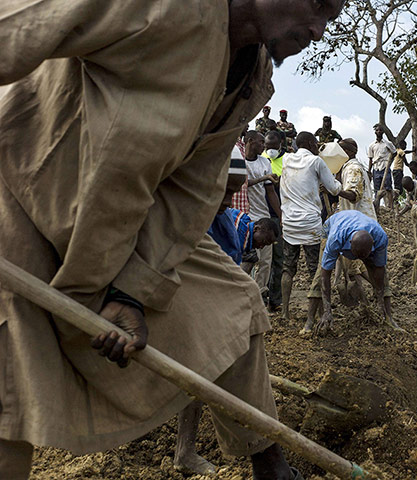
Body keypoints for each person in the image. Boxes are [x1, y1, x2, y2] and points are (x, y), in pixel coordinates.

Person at [0, 1, 345, 479]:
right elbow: (21, 23)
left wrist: (133, 292)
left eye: (331, 16)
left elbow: (193, 189)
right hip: (23, 203)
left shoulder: (251, 74)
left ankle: (270, 466)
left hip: (126, 232)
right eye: (318, 5)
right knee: (7, 400)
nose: (319, 29)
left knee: (236, 304)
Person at [177, 156, 280, 474]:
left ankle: (185, 452)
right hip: (176, 299)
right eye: (222, 192)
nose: (224, 203)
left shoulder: (225, 224)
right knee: (202, 372)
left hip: (198, 306)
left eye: (230, 195)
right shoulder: (203, 217)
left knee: (198, 378)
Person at [279, 132, 354, 322]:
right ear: (311, 144)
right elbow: (334, 189)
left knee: (288, 268)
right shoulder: (316, 162)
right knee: (315, 269)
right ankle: (320, 314)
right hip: (310, 223)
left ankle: (285, 312)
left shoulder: (287, 159)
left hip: (288, 223)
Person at [304, 210, 399, 335]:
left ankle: (388, 317)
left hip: (358, 230)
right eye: (357, 255)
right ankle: (310, 321)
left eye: (364, 256)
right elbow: (325, 274)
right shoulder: (334, 239)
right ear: (350, 245)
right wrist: (328, 310)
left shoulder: (380, 237)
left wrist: (380, 299)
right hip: (331, 227)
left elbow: (380, 270)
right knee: (318, 276)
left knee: (382, 276)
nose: (360, 258)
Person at [244, 131, 282, 301]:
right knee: (249, 259)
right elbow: (243, 184)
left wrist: (281, 216)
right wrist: (263, 178)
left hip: (262, 214)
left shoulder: (264, 162)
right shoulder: (239, 161)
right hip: (245, 215)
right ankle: (243, 292)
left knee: (265, 261)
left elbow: (270, 191)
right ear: (250, 141)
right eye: (261, 142)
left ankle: (258, 295)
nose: (264, 146)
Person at [263, 131, 286, 311]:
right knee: (261, 260)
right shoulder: (261, 159)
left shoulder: (288, 160)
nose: (270, 150)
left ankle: (275, 300)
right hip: (262, 214)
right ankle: (260, 297)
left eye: (273, 147)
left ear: (281, 144)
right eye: (267, 147)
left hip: (278, 216)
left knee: (278, 259)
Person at [367, 124, 396, 207]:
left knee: (388, 188)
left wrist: (389, 163)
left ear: (383, 132)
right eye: (377, 130)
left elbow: (394, 152)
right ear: (375, 132)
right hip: (376, 168)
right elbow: (370, 159)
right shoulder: (372, 145)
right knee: (377, 189)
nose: (378, 132)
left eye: (380, 130)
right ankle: (377, 206)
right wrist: (369, 171)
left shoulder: (387, 143)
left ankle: (390, 206)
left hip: (385, 167)